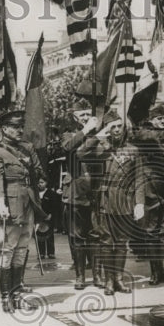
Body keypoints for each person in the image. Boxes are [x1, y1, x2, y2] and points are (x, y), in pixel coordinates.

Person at [0, 109, 46, 312]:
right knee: (7, 250)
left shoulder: (28, 149)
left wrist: (41, 180)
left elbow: (39, 172)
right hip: (9, 206)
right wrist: (1, 203)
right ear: (4, 129)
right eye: (15, 127)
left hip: (28, 204)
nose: (20, 130)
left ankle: (18, 294)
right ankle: (6, 297)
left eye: (22, 126)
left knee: (22, 249)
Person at [88, 110, 143, 296]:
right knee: (106, 242)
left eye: (120, 126)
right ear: (108, 129)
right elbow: (80, 152)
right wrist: (98, 136)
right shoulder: (100, 149)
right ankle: (109, 280)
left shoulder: (133, 150)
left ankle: (119, 279)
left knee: (121, 243)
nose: (118, 130)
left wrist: (139, 203)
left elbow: (139, 178)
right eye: (113, 127)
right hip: (105, 200)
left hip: (125, 201)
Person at [132, 102, 164, 286]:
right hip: (150, 189)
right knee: (151, 232)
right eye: (159, 118)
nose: (163, 121)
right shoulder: (144, 134)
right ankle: (154, 272)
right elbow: (143, 137)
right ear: (151, 120)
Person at [60, 98, 103, 289]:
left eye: (88, 114)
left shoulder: (99, 134)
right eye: (82, 115)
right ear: (74, 117)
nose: (86, 118)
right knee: (77, 235)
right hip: (75, 190)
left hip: (95, 189)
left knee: (95, 234)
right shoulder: (68, 133)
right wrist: (86, 131)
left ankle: (97, 276)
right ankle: (80, 277)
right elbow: (69, 148)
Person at [37, 177, 58, 259]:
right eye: (39, 183)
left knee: (49, 235)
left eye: (42, 182)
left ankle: (51, 252)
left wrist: (50, 215)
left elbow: (54, 205)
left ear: (46, 183)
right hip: (39, 218)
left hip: (49, 217)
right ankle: (41, 253)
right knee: (39, 235)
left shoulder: (50, 193)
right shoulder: (36, 193)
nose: (40, 184)